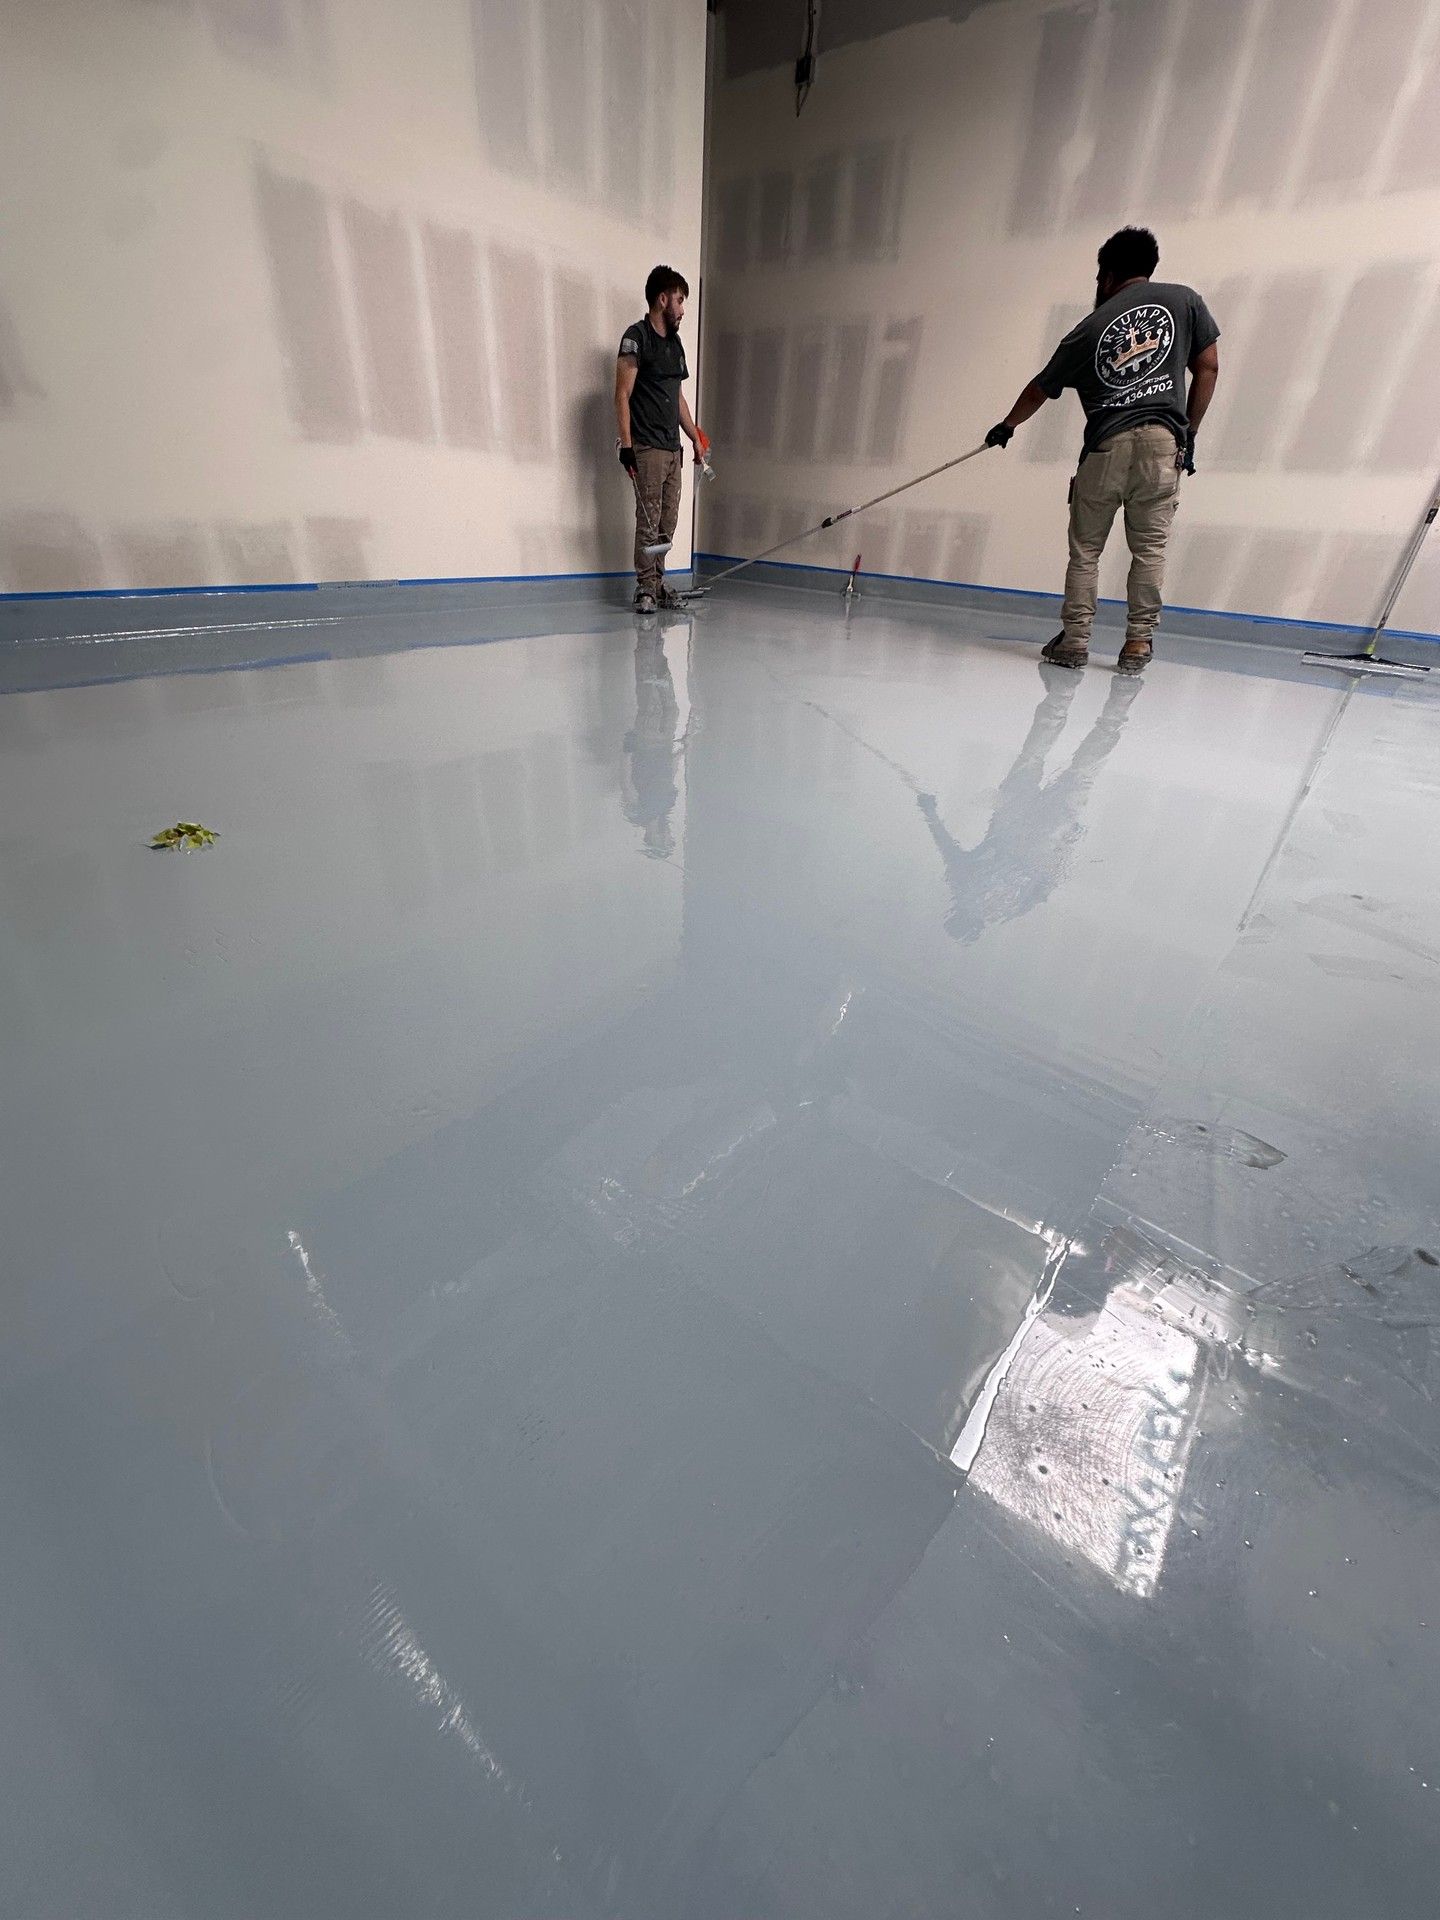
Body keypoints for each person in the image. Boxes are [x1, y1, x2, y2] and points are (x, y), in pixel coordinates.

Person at [985, 227, 1219, 672]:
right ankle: (1137, 644)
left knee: (1086, 550)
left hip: (1105, 448)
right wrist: (1188, 433)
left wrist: (1006, 425)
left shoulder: (1087, 329)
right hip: (1162, 444)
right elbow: (1208, 366)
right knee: (1149, 550)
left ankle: (1074, 642)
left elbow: (1040, 388)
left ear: (1107, 275)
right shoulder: (1185, 301)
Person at [615, 265, 710, 614]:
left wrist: (696, 437)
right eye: (680, 300)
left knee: (667, 524)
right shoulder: (636, 338)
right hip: (648, 448)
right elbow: (622, 394)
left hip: (673, 450)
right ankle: (645, 589)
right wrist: (627, 446)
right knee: (648, 521)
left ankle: (658, 583)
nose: (683, 309)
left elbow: (678, 397)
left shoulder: (675, 344)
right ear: (662, 299)